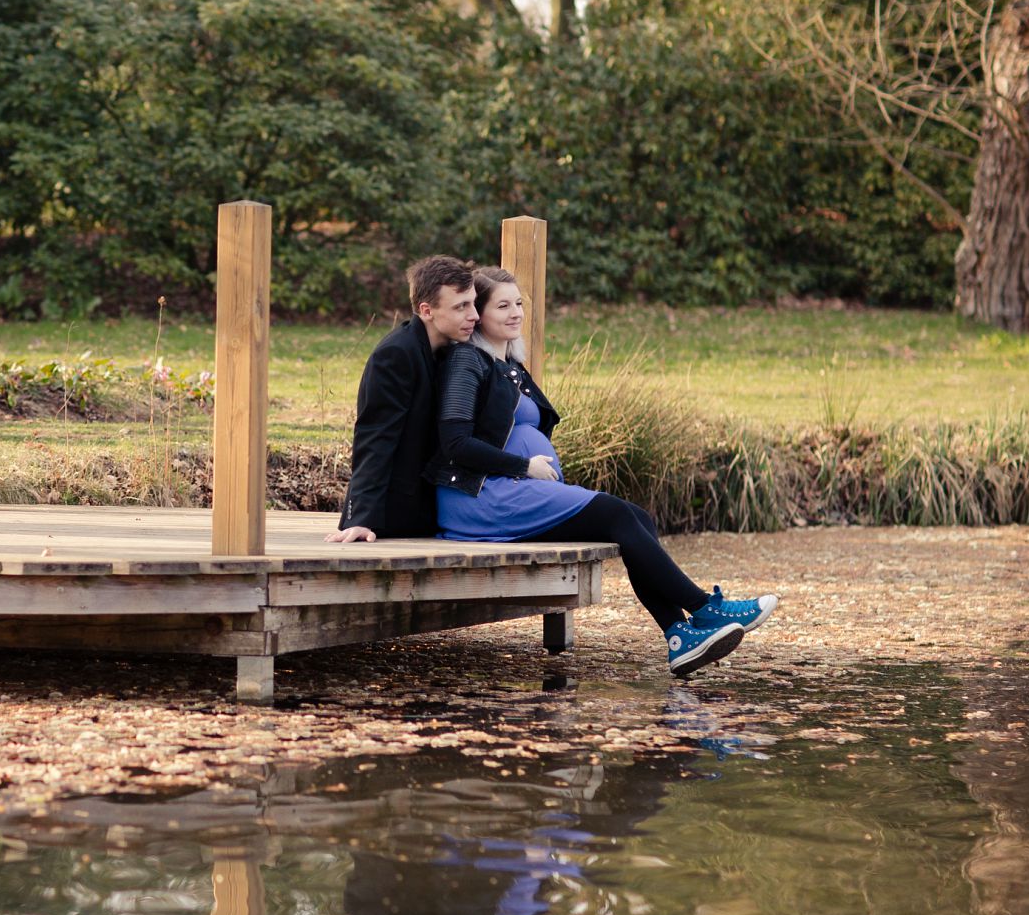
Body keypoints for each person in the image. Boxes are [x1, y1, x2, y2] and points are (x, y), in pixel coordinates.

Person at [425, 268, 779, 676]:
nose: (515, 312)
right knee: (616, 515)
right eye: (501, 305)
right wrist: (524, 465)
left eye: (519, 303)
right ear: (480, 316)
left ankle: (679, 636)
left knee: (637, 517)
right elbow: (456, 444)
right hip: (479, 496)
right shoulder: (469, 360)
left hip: (510, 490)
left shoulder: (510, 364)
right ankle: (704, 608)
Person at [326, 255, 481, 543]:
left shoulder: (453, 348)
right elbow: (376, 438)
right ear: (427, 310)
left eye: (473, 303)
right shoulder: (396, 355)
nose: (475, 315)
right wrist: (361, 518)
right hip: (395, 515)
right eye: (461, 306)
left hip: (438, 505)